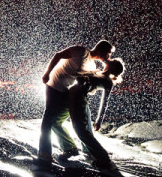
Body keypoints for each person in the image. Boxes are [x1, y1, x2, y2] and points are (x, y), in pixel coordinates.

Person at [38, 40, 114, 168]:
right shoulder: (80, 51)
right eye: (108, 54)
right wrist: (47, 73)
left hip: (66, 91)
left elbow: (91, 83)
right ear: (101, 50)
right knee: (49, 118)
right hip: (54, 85)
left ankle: (74, 148)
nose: (108, 57)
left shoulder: (92, 66)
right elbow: (58, 55)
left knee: (57, 121)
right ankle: (44, 153)